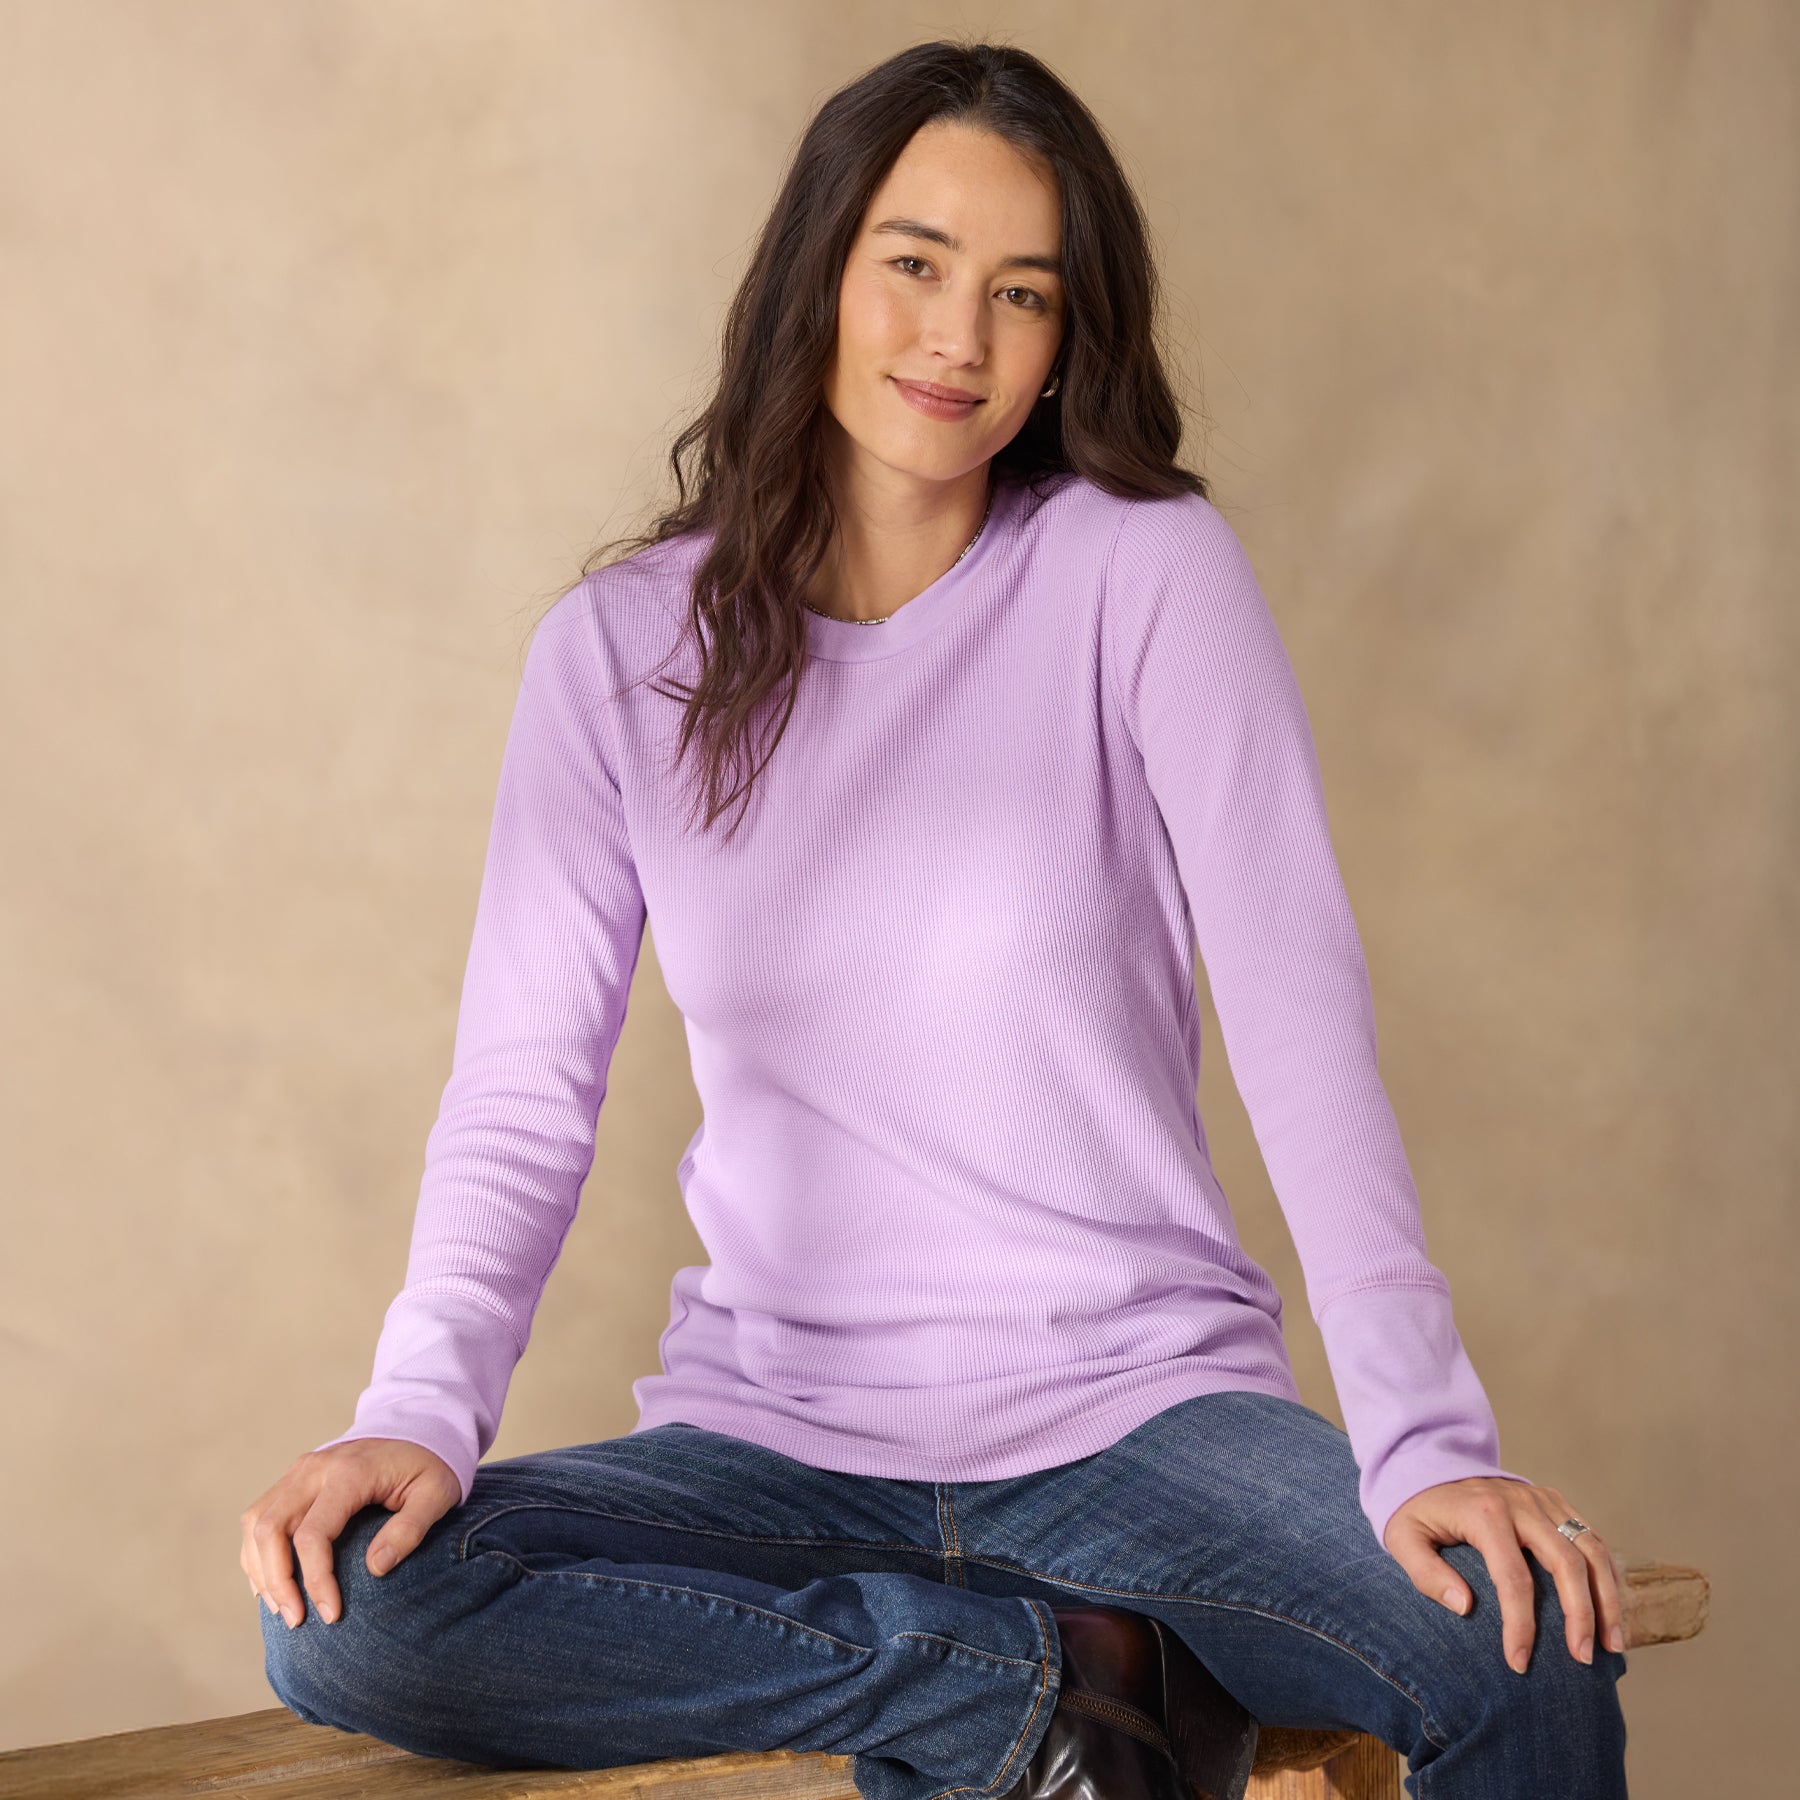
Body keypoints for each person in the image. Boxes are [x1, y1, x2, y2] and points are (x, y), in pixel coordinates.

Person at [241, 38, 1630, 1800]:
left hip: (1140, 1434)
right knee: (353, 1613)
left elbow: (1298, 998)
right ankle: (1033, 1696)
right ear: (819, 270)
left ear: (1066, 341)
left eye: (1021, 293)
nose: (958, 339)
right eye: (914, 262)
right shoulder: (616, 656)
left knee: (1522, 1639)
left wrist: (1425, 1433)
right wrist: (415, 1412)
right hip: (772, 1453)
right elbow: (523, 1093)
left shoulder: (1142, 571)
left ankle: (1038, 1684)